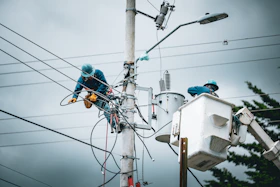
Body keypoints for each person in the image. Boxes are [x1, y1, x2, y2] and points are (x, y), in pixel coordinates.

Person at [68, 64, 117, 129]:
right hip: (94, 98)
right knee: (106, 108)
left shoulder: (98, 73)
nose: (91, 76)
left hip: (105, 92)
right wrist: (74, 97)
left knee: (115, 103)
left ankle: (119, 120)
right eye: (89, 76)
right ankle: (115, 126)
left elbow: (104, 84)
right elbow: (77, 89)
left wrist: (96, 93)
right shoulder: (81, 80)